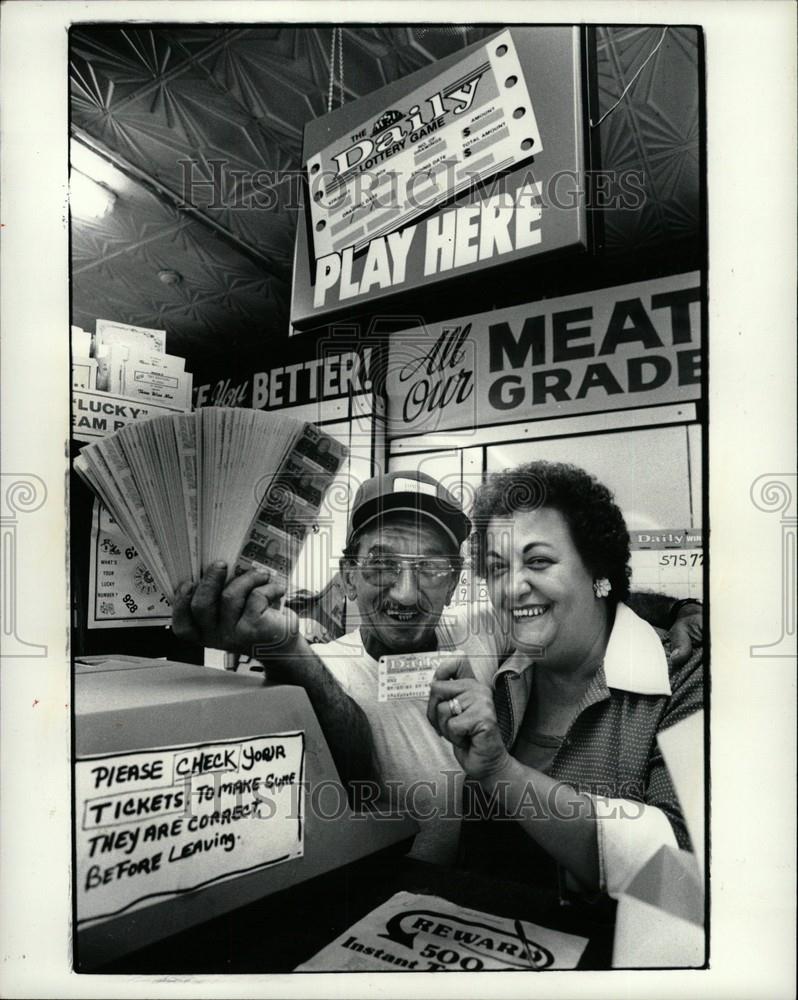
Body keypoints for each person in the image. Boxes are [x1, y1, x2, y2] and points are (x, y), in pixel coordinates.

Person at [172, 468, 702, 865]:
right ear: (348, 574)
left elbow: (579, 597)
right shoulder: (310, 667)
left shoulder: (483, 636)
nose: (405, 593)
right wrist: (286, 650)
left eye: (430, 569)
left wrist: (682, 610)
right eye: (381, 565)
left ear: (453, 583)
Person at [427, 460, 703, 900]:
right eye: (497, 567)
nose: (513, 586)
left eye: (538, 561)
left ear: (598, 570)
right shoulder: (494, 663)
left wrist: (503, 772)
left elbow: (683, 877)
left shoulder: (685, 676)